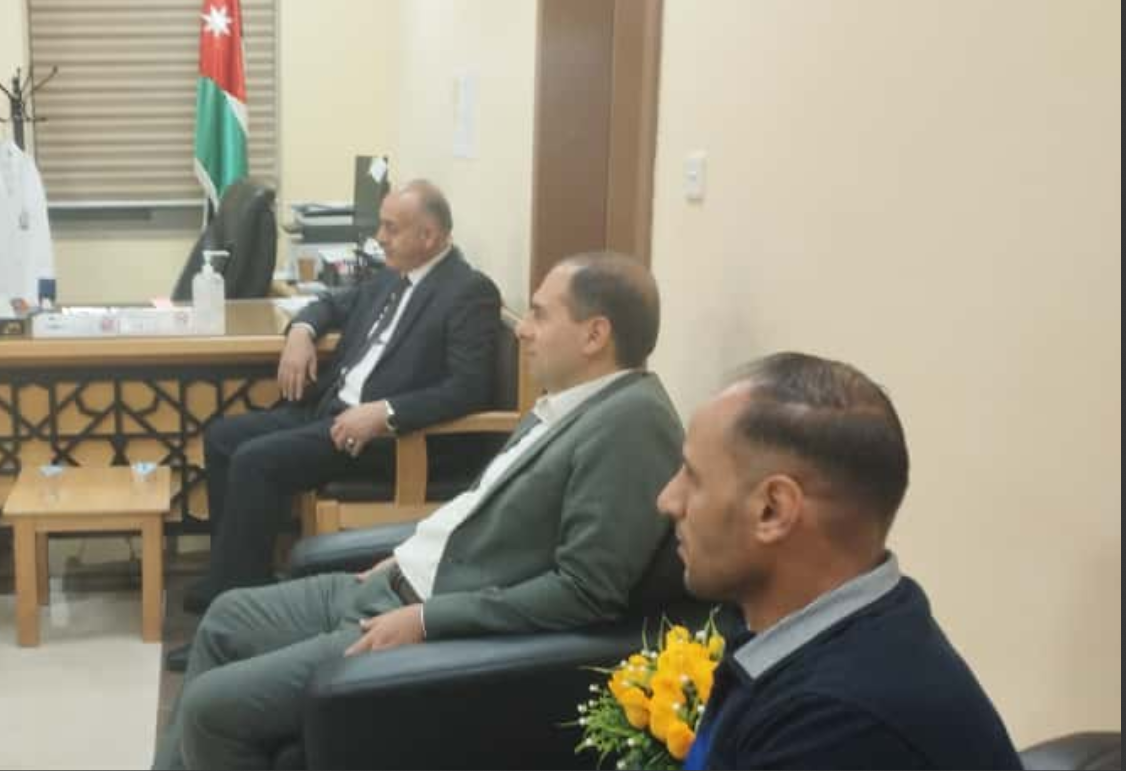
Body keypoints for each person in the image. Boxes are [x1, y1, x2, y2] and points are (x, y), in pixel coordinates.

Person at [153, 252, 685, 769]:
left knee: (211, 710)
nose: (522, 329)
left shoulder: (631, 425)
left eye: (541, 315)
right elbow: (482, 505)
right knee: (224, 619)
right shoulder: (567, 403)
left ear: (595, 335)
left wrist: (428, 620)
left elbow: (586, 590)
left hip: (425, 613)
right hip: (394, 580)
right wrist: (406, 551)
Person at [659, 353, 1020, 769]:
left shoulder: (836, 727)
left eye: (693, 476)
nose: (667, 500)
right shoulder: (826, 644)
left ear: (772, 510)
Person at [179, 180, 502, 627]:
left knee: (256, 460)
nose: (380, 238)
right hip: (332, 410)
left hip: (389, 440)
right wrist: (301, 332)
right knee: (222, 436)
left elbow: (468, 388)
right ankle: (229, 573)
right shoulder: (393, 275)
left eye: (391, 228)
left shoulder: (468, 291)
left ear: (429, 236)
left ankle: (239, 611)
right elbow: (331, 303)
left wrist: (386, 413)